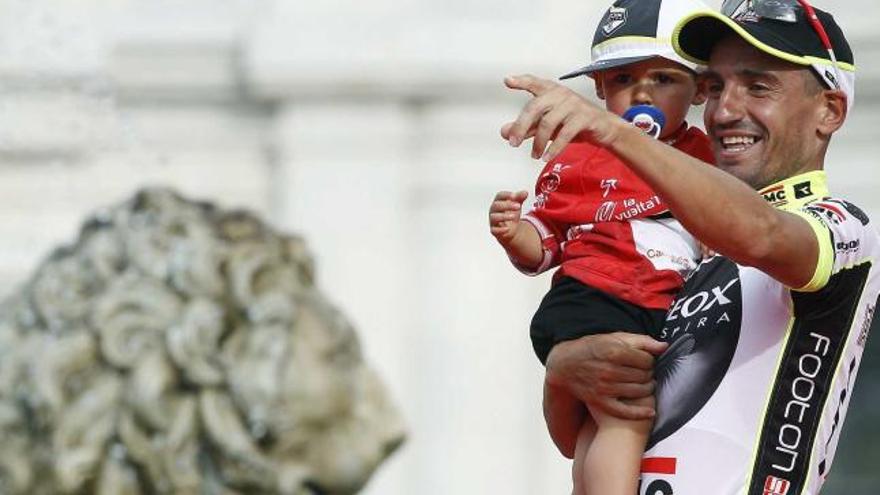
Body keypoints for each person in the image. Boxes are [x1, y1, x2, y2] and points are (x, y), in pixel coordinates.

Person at [501, 0, 880, 494]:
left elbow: (759, 232)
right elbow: (572, 436)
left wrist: (610, 132)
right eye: (715, 87)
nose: (725, 111)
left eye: (758, 86)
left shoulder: (841, 225)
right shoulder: (678, 242)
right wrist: (566, 366)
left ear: (828, 111)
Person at [489, 1, 712, 493]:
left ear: (698, 90)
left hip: (637, 298)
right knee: (624, 418)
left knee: (597, 423)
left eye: (664, 79)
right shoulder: (581, 154)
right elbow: (544, 246)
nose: (643, 92)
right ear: (598, 89)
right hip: (606, 295)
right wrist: (513, 233)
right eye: (623, 79)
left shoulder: (704, 153)